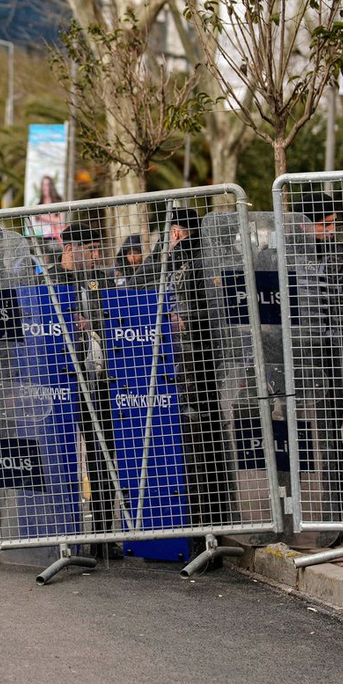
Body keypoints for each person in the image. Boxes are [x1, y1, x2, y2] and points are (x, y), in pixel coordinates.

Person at [157, 208, 239, 538]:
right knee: (212, 434)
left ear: (177, 232)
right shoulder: (211, 256)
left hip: (192, 363)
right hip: (210, 363)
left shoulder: (185, 259)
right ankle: (216, 515)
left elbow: (145, 284)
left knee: (196, 441)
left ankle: (203, 520)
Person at [52, 221, 121, 558]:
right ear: (70, 249)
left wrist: (97, 321)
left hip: (98, 380)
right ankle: (62, 534)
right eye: (90, 249)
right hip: (59, 380)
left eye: (98, 249)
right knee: (60, 456)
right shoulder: (48, 278)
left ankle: (104, 534)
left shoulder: (103, 279)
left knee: (101, 452)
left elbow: (117, 317)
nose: (96, 256)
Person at [292, 189, 343, 529]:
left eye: (334, 224)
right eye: (326, 225)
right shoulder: (283, 255)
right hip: (292, 356)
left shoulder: (338, 255)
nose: (332, 231)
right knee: (293, 434)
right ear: (305, 225)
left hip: (328, 354)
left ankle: (332, 517)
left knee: (330, 431)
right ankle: (290, 515)